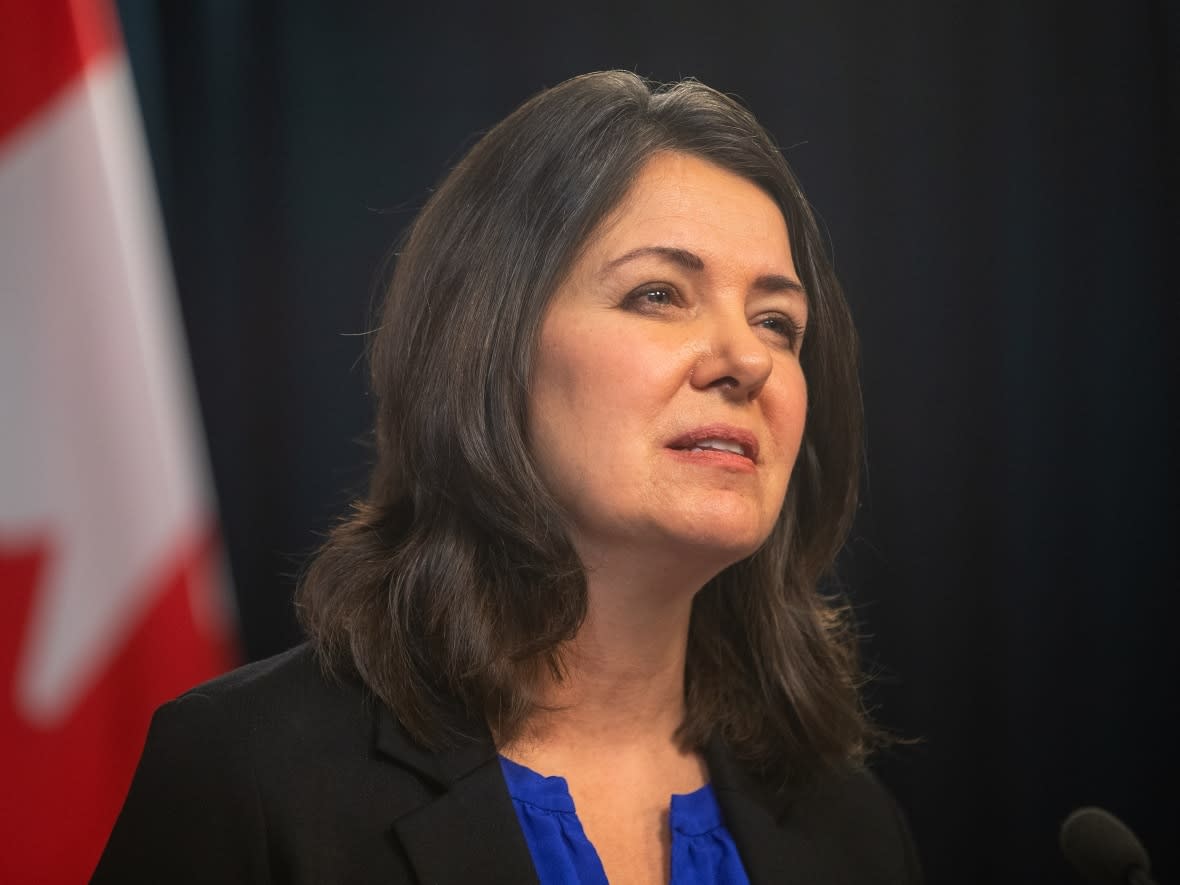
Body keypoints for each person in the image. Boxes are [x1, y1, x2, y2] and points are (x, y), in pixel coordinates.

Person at [93, 70, 922, 884]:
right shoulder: (251, 777)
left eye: (778, 322)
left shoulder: (850, 825)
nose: (747, 359)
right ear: (490, 346)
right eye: (660, 293)